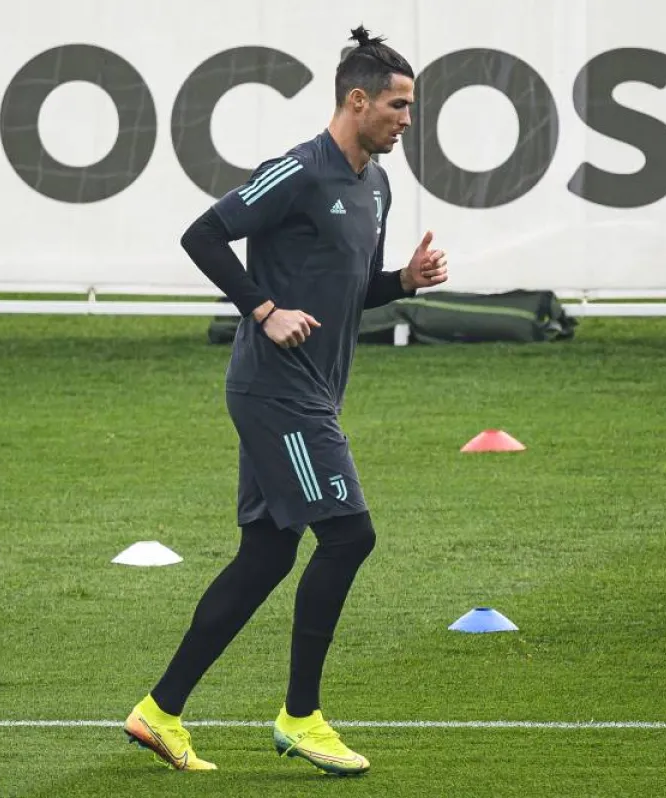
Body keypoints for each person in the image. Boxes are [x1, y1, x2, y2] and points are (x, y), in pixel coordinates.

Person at [123, 25, 449, 775]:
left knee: (267, 554)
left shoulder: (377, 185)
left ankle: (159, 712)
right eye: (398, 105)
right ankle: (301, 717)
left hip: (312, 393)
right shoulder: (296, 172)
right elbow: (203, 235)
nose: (407, 119)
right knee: (349, 537)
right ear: (357, 101)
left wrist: (403, 281)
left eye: (410, 106)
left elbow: (349, 290)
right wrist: (263, 309)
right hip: (277, 391)